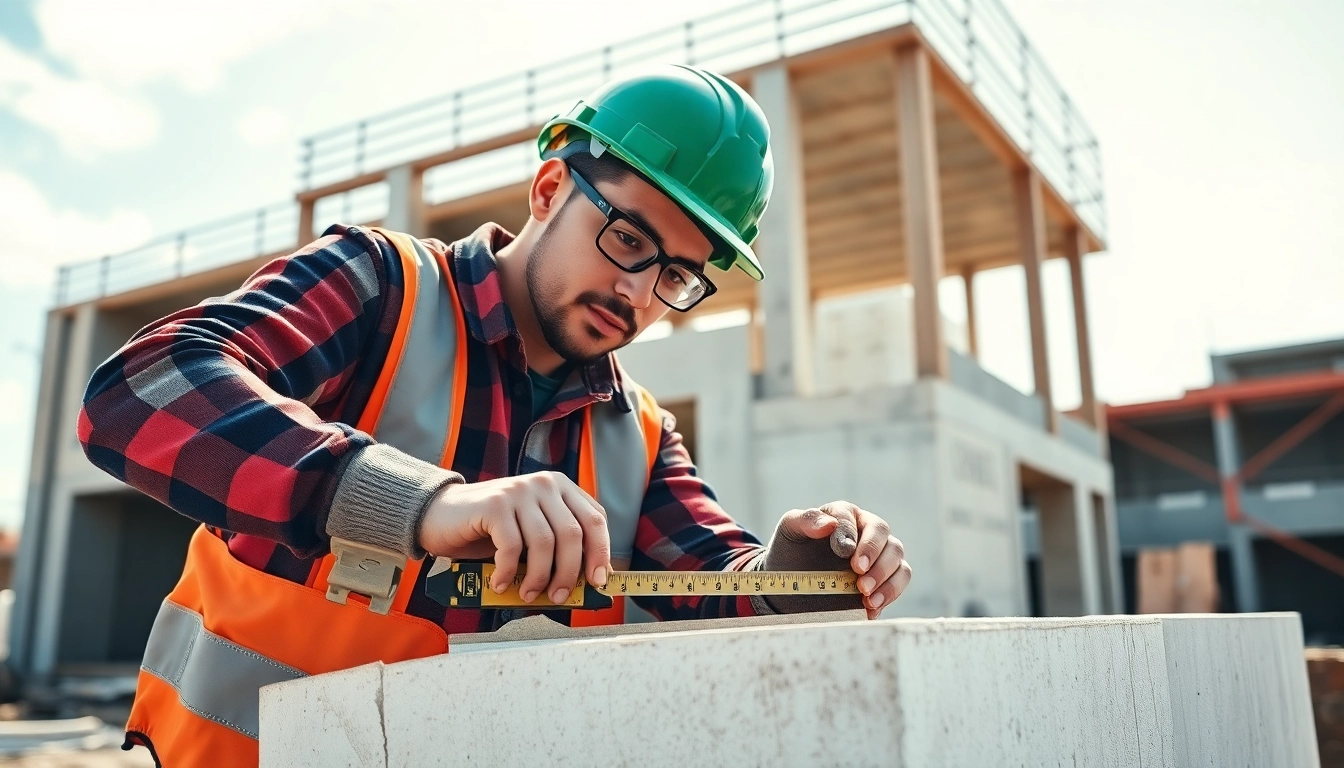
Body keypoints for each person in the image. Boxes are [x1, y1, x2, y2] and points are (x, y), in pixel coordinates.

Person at [79, 65, 911, 766]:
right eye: (627, 239)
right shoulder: (380, 288)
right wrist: (423, 505)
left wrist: (793, 579)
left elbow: (715, 591)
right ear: (550, 187)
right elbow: (140, 389)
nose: (640, 293)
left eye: (678, 277)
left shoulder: (641, 435)